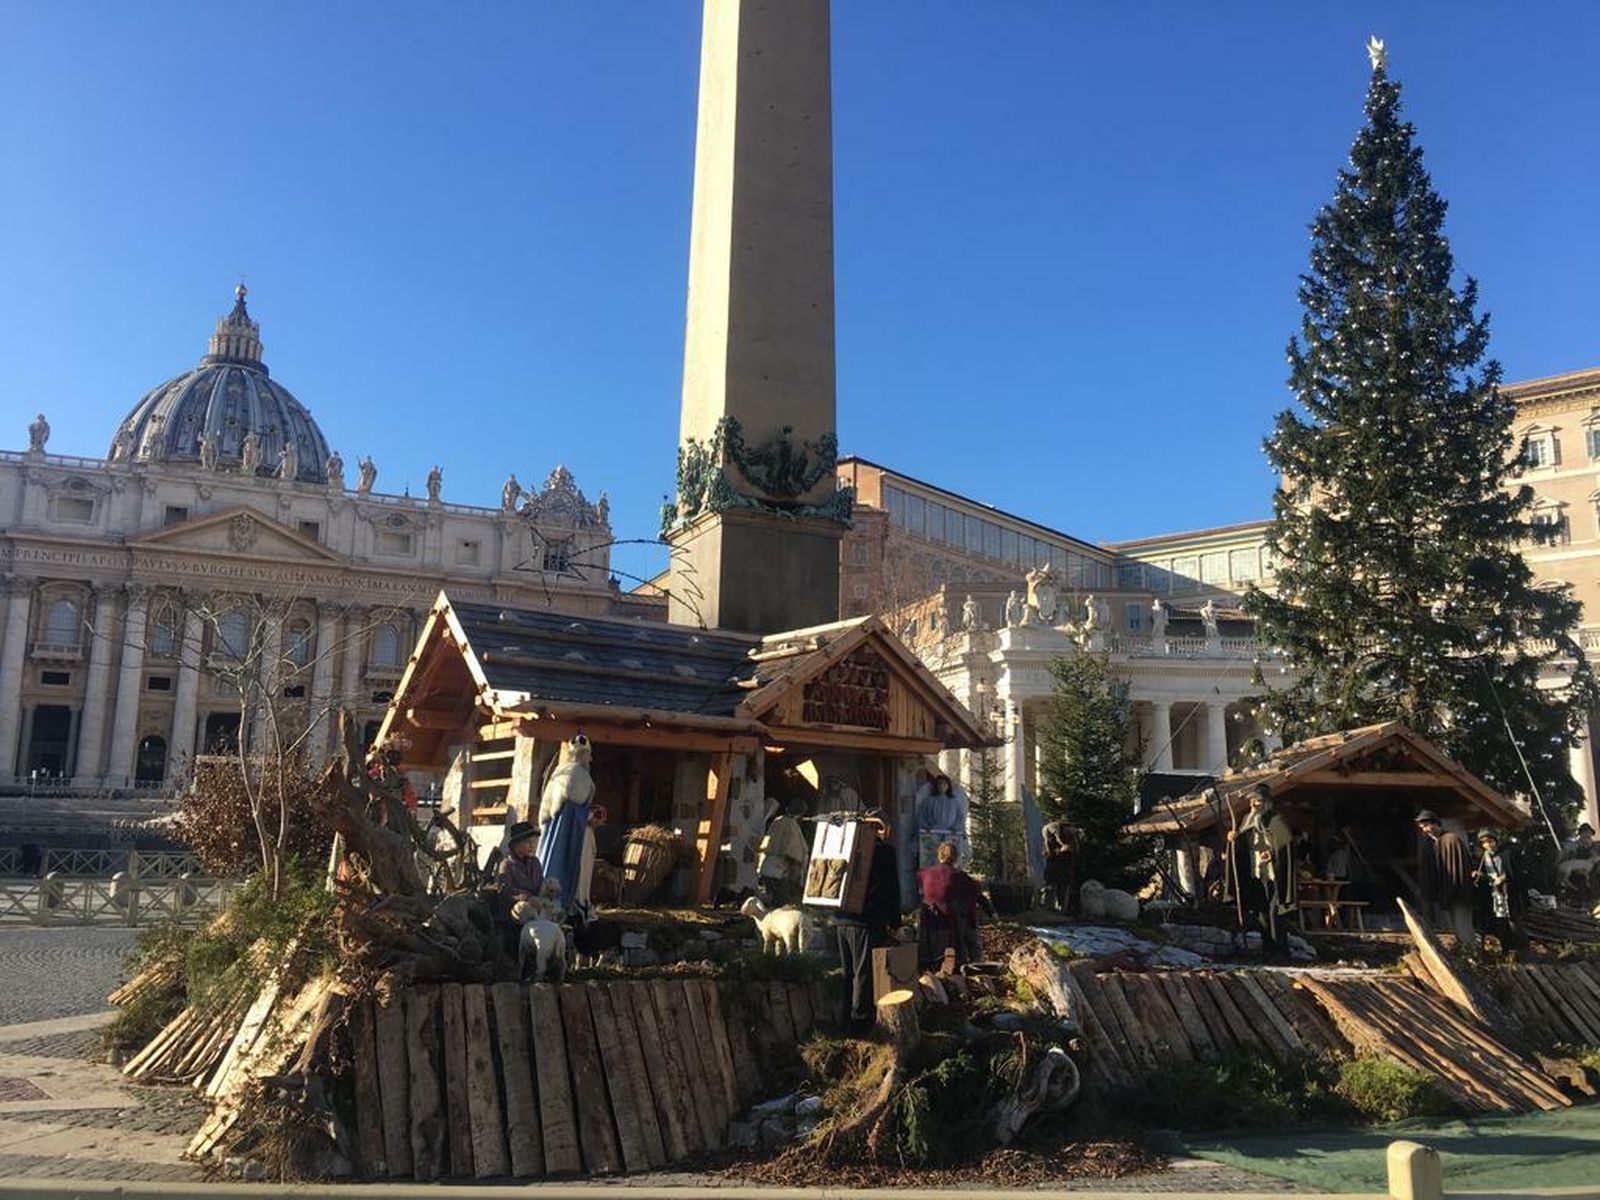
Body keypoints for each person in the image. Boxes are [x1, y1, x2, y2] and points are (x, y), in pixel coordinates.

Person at [835, 813, 901, 1029]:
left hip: (842, 918)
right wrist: (896, 922)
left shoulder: (848, 846)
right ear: (884, 829)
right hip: (868, 919)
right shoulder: (883, 851)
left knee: (847, 973)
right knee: (863, 973)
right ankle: (860, 1021)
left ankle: (844, 1019)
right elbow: (892, 888)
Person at [1229, 784, 1294, 953]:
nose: (1254, 804)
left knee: (1274, 912)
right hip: (1255, 873)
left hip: (1273, 875)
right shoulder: (1247, 820)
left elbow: (1285, 845)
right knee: (1261, 913)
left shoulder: (1275, 820)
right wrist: (1232, 840)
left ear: (1266, 802)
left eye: (1258, 801)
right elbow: (1241, 843)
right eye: (1252, 801)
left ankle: (1281, 950)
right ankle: (1268, 948)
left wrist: (1272, 853)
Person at [917, 841, 987, 968]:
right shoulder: (960, 877)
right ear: (956, 858)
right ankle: (977, 967)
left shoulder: (924, 874)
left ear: (939, 856)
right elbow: (977, 892)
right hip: (952, 929)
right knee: (972, 937)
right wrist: (991, 912)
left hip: (929, 927)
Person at [1416, 810, 1474, 943]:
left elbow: (1461, 869)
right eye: (1422, 827)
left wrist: (1457, 890)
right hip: (1444, 893)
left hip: (1458, 894)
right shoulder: (1429, 844)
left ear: (1436, 824)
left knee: (1463, 925)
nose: (1425, 830)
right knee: (1453, 927)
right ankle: (1463, 953)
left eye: (1426, 826)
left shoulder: (1452, 840)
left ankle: (1471, 953)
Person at [914, 773, 970, 876]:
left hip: (950, 835)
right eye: (940, 784)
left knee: (950, 862)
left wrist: (955, 828)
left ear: (948, 786)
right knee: (932, 861)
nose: (942, 786)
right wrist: (926, 828)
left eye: (944, 784)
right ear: (936, 786)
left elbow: (960, 818)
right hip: (933, 835)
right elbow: (922, 816)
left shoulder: (954, 802)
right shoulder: (929, 801)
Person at [1473, 829, 1520, 950]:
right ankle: (1506, 948)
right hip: (1495, 894)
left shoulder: (1506, 854)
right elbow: (1486, 875)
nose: (1487, 845)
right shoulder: (1485, 857)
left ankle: (1520, 947)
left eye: (1490, 841)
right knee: (1500, 921)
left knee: (1512, 921)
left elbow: (1515, 873)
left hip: (1508, 892)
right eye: (1484, 843)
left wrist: (1503, 878)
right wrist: (1479, 875)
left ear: (1495, 841)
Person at [757, 799, 809, 906]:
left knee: (772, 898)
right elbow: (792, 850)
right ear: (800, 813)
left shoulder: (777, 820)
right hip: (777, 870)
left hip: (766, 866)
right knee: (781, 902)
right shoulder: (791, 825)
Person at [497, 821, 544, 921]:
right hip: (515, 912)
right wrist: (526, 898)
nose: (532, 846)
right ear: (516, 844)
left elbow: (541, 884)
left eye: (533, 842)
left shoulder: (535, 863)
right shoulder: (507, 865)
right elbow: (505, 892)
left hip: (537, 906)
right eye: (528, 842)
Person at [1041, 819, 1077, 912]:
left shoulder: (1070, 836)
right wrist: (1063, 846)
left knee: (1063, 886)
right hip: (1055, 864)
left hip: (1064, 865)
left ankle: (1062, 908)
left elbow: (1073, 849)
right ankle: (1048, 907)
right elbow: (1058, 840)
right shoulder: (1053, 828)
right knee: (1052, 886)